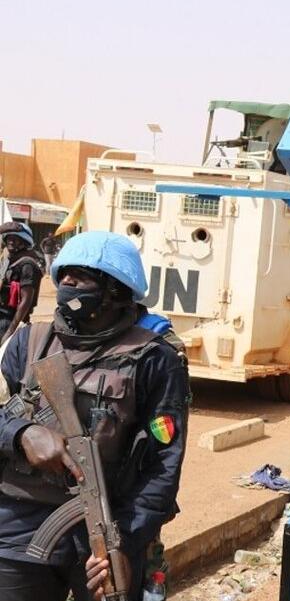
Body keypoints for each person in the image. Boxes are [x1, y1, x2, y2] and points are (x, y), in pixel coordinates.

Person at [0, 231, 190, 601]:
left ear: (117, 290)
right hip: (18, 528)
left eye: (82, 276)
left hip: (109, 528)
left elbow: (163, 466)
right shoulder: (28, 342)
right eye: (64, 275)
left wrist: (125, 544)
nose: (68, 284)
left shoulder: (154, 359)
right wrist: (20, 434)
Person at [1, 222, 45, 347]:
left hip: (9, 320)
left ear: (24, 242)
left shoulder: (27, 264)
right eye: (9, 238)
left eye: (15, 239)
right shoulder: (9, 261)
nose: (11, 241)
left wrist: (10, 332)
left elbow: (26, 301)